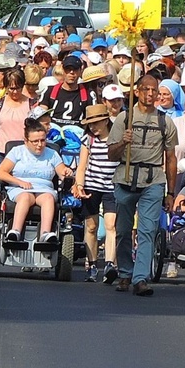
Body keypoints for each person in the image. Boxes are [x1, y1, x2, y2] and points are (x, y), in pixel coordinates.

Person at [108, 74, 178, 297]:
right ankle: (125, 272)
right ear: (137, 91)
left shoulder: (164, 121)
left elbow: (171, 158)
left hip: (153, 179)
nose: (149, 94)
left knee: (148, 230)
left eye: (153, 90)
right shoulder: (124, 118)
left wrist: (171, 192)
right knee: (123, 230)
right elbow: (111, 154)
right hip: (125, 178)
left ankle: (140, 278)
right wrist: (123, 142)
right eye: (145, 89)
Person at [0, 118, 73, 242]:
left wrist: (67, 172)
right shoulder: (17, 152)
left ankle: (45, 234)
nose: (39, 144)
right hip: (20, 188)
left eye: (42, 140)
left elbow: (62, 172)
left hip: (44, 189)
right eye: (35, 141)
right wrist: (19, 182)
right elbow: (0, 173)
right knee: (25, 197)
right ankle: (15, 231)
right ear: (26, 141)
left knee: (48, 198)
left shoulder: (52, 154)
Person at [73, 104, 120, 284]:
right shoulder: (88, 139)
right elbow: (82, 165)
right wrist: (79, 185)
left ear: (106, 121)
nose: (93, 127)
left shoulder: (116, 139)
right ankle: (92, 265)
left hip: (112, 186)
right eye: (90, 124)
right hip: (92, 185)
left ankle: (109, 264)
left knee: (111, 225)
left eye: (96, 123)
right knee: (91, 226)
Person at [0, 68, 34, 165]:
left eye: (18, 88)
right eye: (11, 88)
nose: (15, 92)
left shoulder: (31, 104)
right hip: (1, 153)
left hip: (24, 153)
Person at [40, 55, 92, 127]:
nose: (71, 72)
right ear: (63, 70)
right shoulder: (49, 91)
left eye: (75, 69)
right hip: (52, 133)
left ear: (80, 71)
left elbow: (92, 119)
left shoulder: (88, 94)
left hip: (77, 134)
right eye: (68, 69)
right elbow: (41, 116)